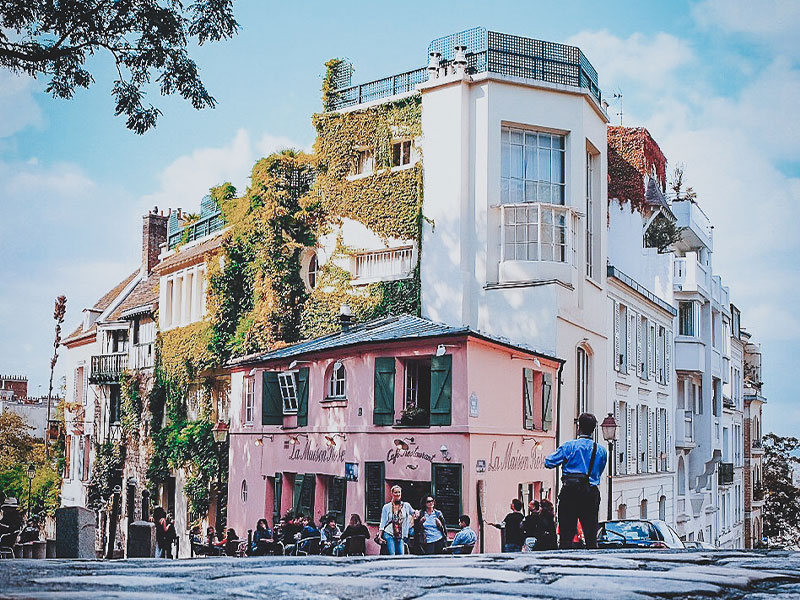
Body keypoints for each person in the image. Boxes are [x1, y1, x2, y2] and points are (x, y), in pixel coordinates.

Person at [545, 412, 608, 549]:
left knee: (566, 535)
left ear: (578, 427)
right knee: (591, 535)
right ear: (593, 429)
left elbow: (549, 462)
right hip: (591, 492)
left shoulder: (569, 447)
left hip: (570, 492)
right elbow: (599, 471)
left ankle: (565, 563)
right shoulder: (601, 450)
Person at [379, 485, 414, 556]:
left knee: (401, 555)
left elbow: (414, 513)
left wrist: (416, 514)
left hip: (400, 535)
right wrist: (380, 535)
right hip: (389, 533)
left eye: (399, 492)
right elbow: (383, 522)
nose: (397, 494)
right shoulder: (386, 507)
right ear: (392, 494)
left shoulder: (406, 506)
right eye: (395, 492)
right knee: (392, 555)